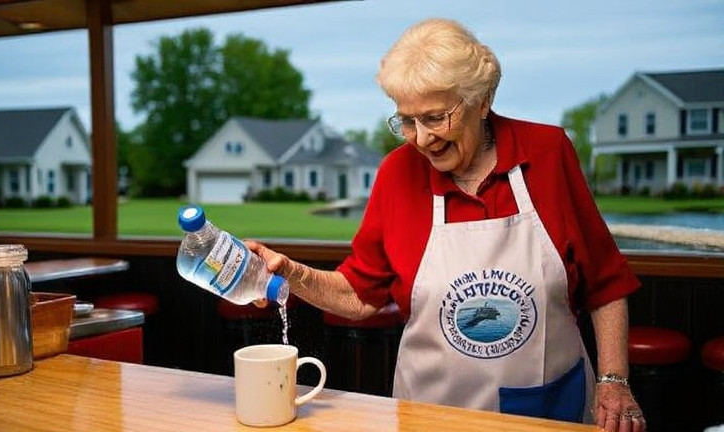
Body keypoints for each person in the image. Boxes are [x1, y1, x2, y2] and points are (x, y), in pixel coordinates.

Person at [247, 18, 644, 431]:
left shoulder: (548, 153)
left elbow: (606, 283)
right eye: (406, 120)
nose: (420, 139)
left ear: (483, 100)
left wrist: (614, 382)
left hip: (544, 408)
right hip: (431, 414)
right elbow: (360, 294)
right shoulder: (397, 173)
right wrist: (290, 273)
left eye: (435, 118)